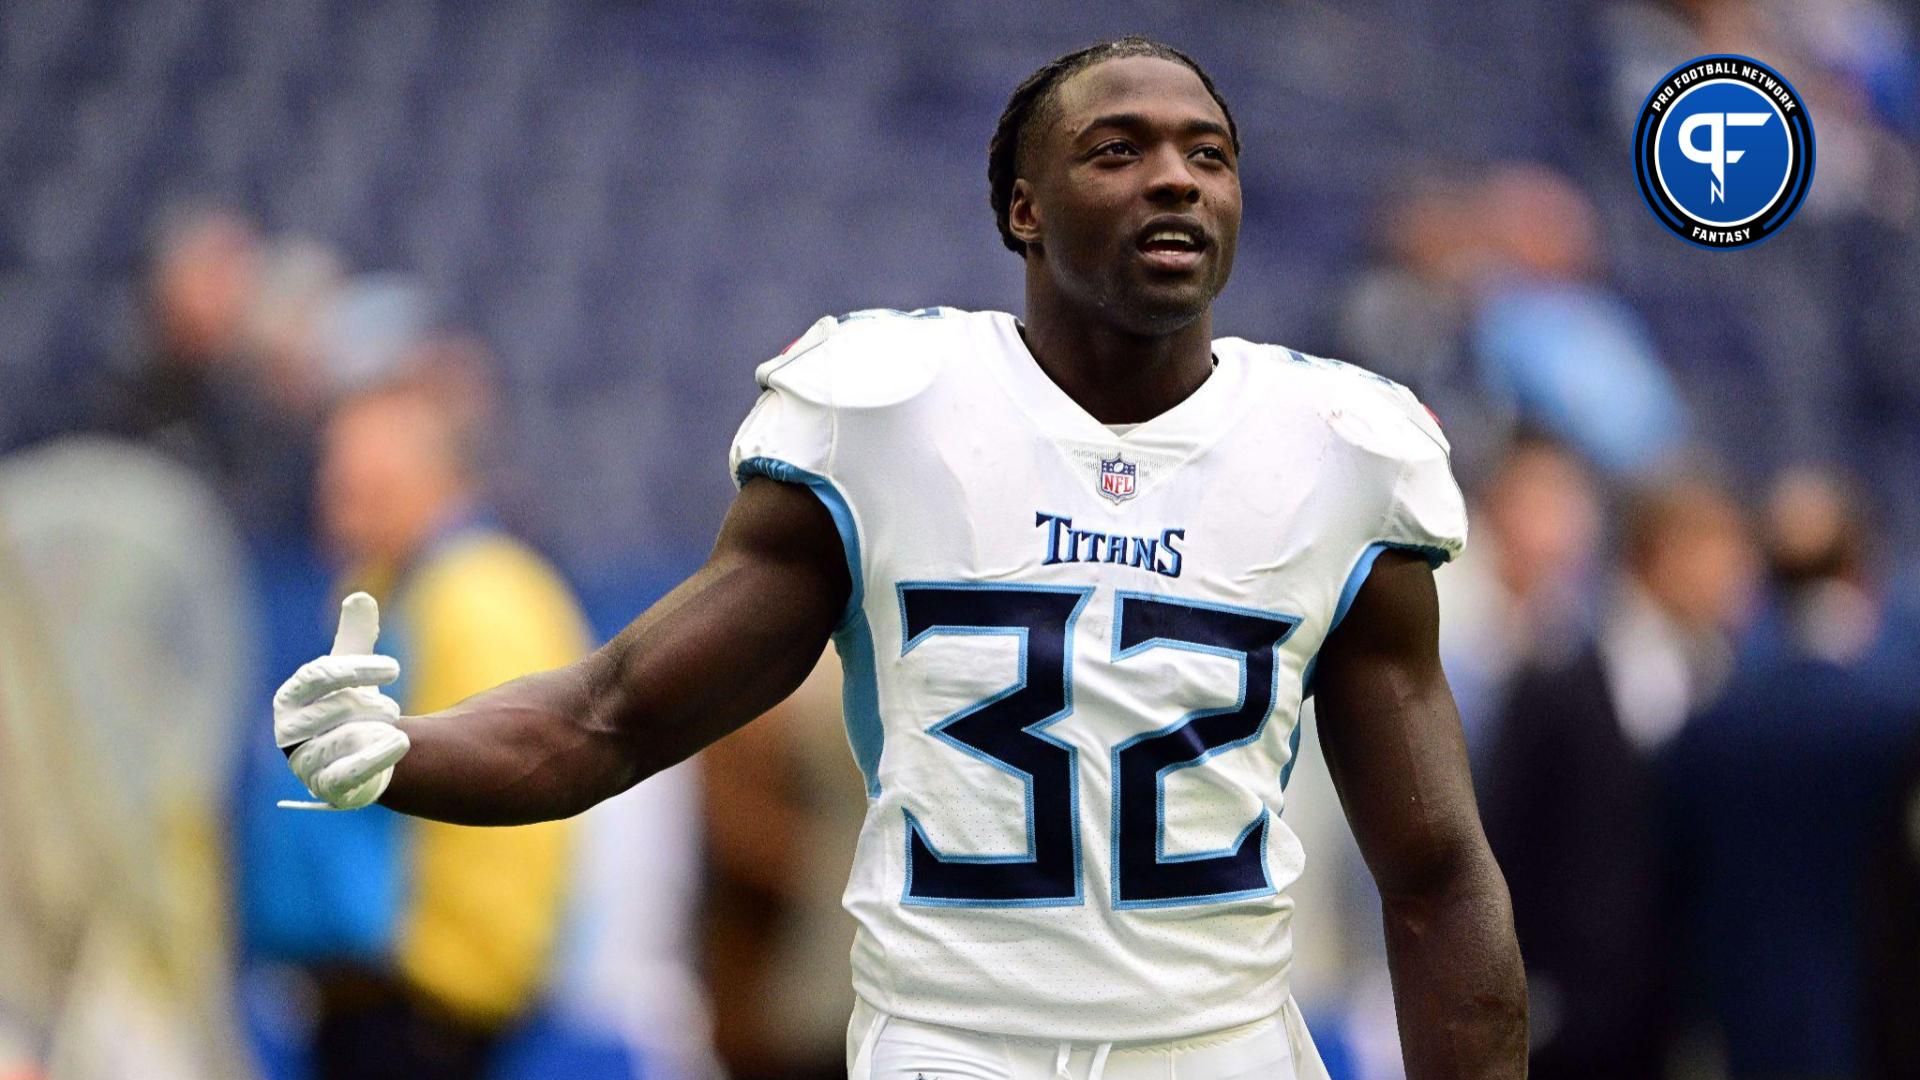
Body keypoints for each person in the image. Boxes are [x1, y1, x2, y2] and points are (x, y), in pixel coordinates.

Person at [271, 37, 1526, 1079]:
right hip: (952, 1048)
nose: (1176, 180)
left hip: (1221, 1049)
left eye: (1210, 155)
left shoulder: (1336, 448)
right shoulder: (889, 413)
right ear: (1021, 210)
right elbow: (612, 716)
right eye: (1118, 149)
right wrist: (401, 754)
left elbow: (1435, 865)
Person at [252, 340, 585, 1080]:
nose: (331, 495)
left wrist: (443, 989)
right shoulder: (391, 589)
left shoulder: (479, 598)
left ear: (427, 475)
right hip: (368, 995)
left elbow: (515, 792)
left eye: (357, 479)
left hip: (420, 1011)